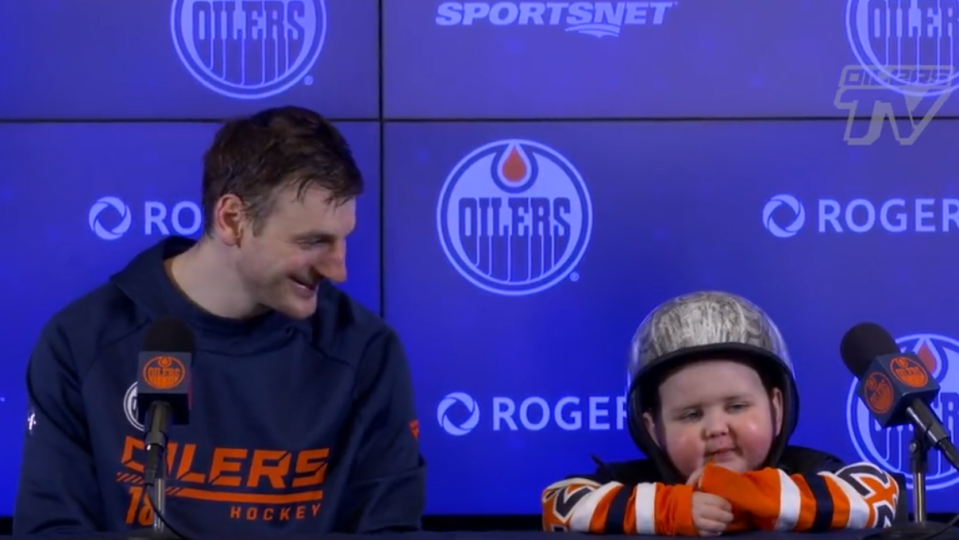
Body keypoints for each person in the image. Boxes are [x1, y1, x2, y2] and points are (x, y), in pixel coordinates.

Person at [14, 106, 425, 536]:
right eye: (313, 241)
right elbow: (50, 530)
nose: (339, 269)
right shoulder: (80, 341)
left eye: (343, 240)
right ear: (232, 220)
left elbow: (389, 529)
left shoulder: (365, 351)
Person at [541, 291, 900, 536]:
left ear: (777, 407)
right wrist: (671, 510)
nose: (716, 428)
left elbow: (880, 494)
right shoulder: (636, 485)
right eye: (691, 414)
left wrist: (759, 498)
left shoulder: (807, 472)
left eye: (737, 406)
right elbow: (559, 505)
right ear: (652, 429)